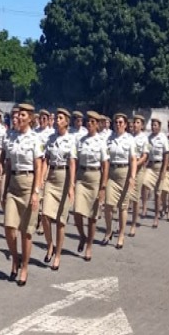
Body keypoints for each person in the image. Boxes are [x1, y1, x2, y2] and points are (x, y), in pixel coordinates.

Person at [2, 103, 43, 285]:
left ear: (30, 119)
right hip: (13, 185)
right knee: (9, 228)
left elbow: (39, 167)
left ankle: (24, 267)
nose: (19, 117)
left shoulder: (35, 139)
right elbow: (8, 165)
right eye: (18, 115)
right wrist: (3, 190)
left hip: (28, 184)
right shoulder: (11, 137)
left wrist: (36, 192)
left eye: (23, 115)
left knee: (26, 232)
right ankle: (15, 258)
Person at [40, 108, 77, 271]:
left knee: (61, 221)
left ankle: (58, 255)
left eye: (60, 118)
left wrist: (71, 186)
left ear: (66, 122)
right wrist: (41, 179)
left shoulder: (71, 140)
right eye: (56, 118)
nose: (57, 120)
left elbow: (73, 163)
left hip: (64, 176)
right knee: (45, 216)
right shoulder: (51, 138)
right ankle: (50, 245)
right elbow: (46, 160)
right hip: (52, 177)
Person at [74, 111, 109, 261]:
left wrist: (103, 187)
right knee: (77, 212)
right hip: (81, 177)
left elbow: (105, 165)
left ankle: (89, 245)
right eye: (88, 121)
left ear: (97, 125)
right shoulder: (80, 140)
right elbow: (75, 161)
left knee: (92, 216)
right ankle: (82, 235)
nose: (89, 124)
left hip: (95, 177)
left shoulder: (101, 141)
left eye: (93, 122)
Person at [103, 113, 137, 249]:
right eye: (116, 122)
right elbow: (105, 158)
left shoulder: (129, 140)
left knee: (123, 206)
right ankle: (109, 230)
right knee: (108, 205)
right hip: (112, 172)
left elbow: (133, 159)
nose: (118, 124)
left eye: (121, 122)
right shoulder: (109, 138)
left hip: (124, 172)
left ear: (126, 124)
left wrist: (132, 177)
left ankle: (121, 234)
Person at [142, 118, 169, 228]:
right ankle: (144, 206)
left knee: (158, 194)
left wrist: (163, 170)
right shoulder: (148, 138)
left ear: (159, 126)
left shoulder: (163, 138)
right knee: (144, 184)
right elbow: (147, 153)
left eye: (155, 125)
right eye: (152, 125)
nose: (153, 127)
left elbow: (166, 155)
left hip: (159, 166)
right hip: (150, 166)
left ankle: (156, 217)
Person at [128, 115, 149, 237]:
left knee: (135, 199)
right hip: (127, 170)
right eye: (134, 122)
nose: (135, 124)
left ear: (142, 125)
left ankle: (133, 225)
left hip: (138, 170)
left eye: (137, 122)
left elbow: (145, 156)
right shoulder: (128, 137)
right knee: (125, 198)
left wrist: (135, 164)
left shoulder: (144, 138)